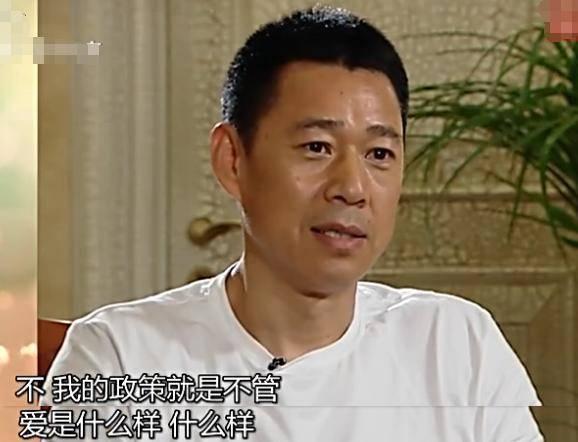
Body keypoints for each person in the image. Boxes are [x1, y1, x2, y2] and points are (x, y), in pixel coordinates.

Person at [41, 6, 543, 441]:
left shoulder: (455, 342)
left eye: (379, 154)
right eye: (317, 147)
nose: (352, 186)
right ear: (232, 160)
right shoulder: (119, 357)